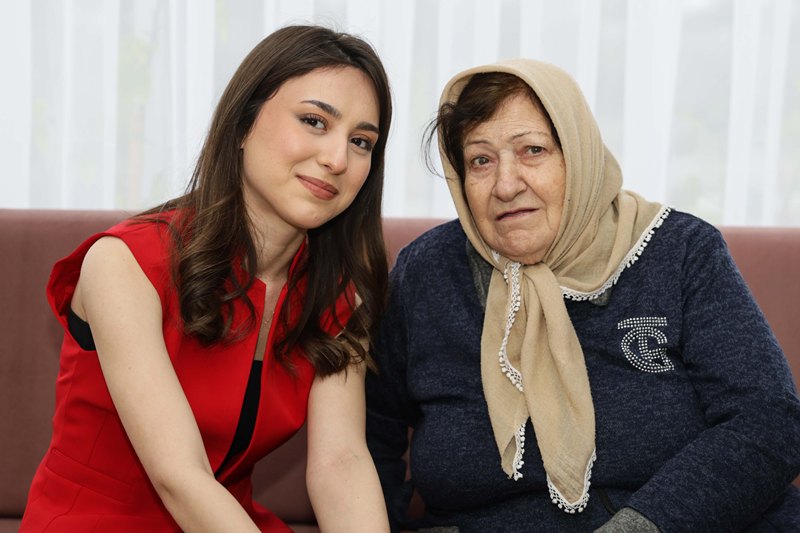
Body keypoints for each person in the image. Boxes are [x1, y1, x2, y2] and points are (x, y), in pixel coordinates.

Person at [365, 58, 800, 532]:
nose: (506, 185)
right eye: (480, 161)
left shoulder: (680, 251)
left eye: (532, 150)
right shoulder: (427, 272)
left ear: (579, 155)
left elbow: (768, 419)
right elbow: (370, 432)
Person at [21, 25, 392, 532]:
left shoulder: (337, 295)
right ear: (242, 124)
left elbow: (340, 463)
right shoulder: (124, 263)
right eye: (313, 121)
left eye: (361, 141)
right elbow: (180, 474)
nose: (337, 159)